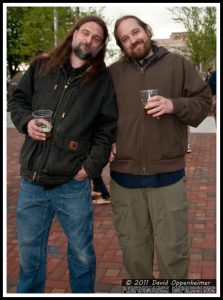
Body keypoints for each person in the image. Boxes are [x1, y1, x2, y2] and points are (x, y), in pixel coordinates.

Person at [8, 15, 118, 293]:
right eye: (85, 33)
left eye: (96, 38)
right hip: (32, 182)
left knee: (82, 256)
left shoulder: (102, 80)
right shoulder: (42, 66)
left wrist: (88, 170)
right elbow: (18, 100)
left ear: (101, 46)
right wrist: (26, 121)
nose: (89, 40)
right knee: (30, 257)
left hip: (72, 184)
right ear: (74, 34)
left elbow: (106, 130)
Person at [108, 15, 212, 279]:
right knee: (134, 257)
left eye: (135, 32)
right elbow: (99, 116)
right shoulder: (113, 74)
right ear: (121, 46)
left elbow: (204, 102)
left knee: (174, 254)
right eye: (125, 39)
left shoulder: (178, 64)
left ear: (147, 30)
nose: (132, 40)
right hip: (125, 181)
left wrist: (173, 105)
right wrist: (105, 140)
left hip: (168, 179)